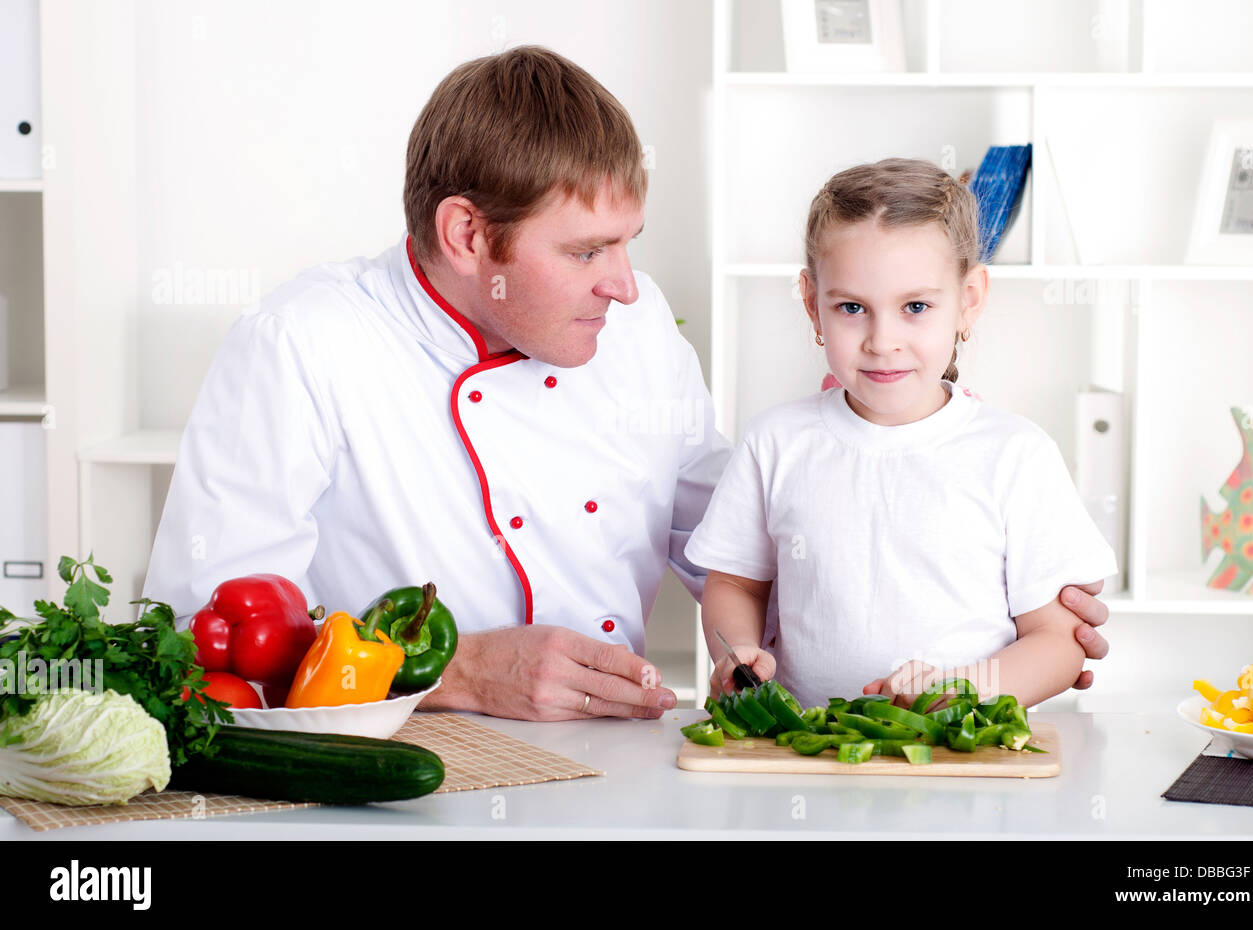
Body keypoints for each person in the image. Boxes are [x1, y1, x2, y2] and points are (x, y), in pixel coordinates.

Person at [142, 49, 1112, 722]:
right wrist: (455, 672)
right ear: (468, 237)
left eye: (627, 243)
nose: (624, 281)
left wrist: (991, 625)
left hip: (626, 767)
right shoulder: (302, 346)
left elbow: (730, 536)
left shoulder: (632, 319)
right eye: (586, 250)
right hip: (419, 770)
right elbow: (204, 639)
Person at [684, 158, 1118, 710]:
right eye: (851, 308)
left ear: (969, 300)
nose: (882, 340)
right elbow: (736, 584)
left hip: (961, 758)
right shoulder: (775, 442)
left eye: (915, 306)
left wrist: (961, 692)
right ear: (812, 304)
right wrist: (737, 650)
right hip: (802, 753)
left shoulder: (1016, 454)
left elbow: (1059, 643)